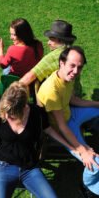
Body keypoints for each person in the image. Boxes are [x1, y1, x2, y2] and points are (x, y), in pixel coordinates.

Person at [0, 81, 78, 198]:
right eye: (5, 112)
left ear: (24, 108)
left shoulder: (36, 113)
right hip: (3, 166)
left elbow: (49, 130)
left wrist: (72, 148)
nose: (6, 116)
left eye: (11, 114)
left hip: (29, 168)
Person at [37, 46, 99, 197]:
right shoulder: (51, 90)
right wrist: (83, 151)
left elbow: (73, 100)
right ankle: (87, 188)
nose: (76, 71)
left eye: (79, 67)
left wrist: (98, 104)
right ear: (61, 63)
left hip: (71, 113)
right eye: (72, 65)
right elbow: (62, 126)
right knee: (95, 164)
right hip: (62, 127)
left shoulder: (66, 77)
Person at [20, 20, 76, 85]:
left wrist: (12, 90)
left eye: (51, 39)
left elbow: (30, 76)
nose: (48, 43)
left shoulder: (54, 56)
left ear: (60, 40)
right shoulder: (73, 54)